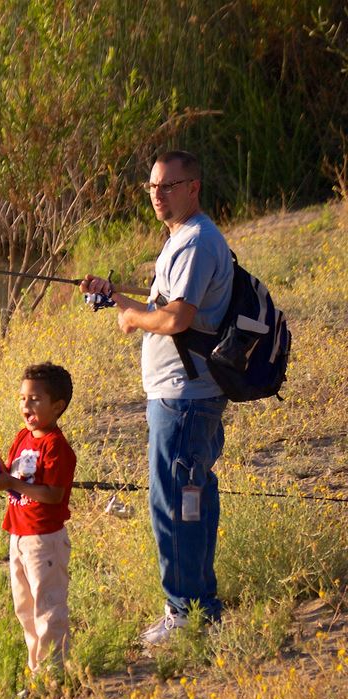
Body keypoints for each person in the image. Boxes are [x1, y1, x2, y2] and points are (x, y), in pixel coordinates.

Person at [81, 150, 233, 645]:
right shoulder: (182, 240)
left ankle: (185, 612)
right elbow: (161, 308)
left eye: (168, 186)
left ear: (194, 187)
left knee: (173, 502)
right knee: (191, 498)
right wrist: (117, 300)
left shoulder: (195, 242)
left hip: (185, 399)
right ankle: (199, 605)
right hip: (182, 396)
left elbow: (175, 320)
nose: (158, 195)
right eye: (152, 187)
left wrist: (131, 319)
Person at [0, 362, 77, 673]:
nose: (26, 404)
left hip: (44, 540)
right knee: (24, 608)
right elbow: (15, 475)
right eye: (23, 397)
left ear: (57, 406)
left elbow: (52, 494)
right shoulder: (23, 437)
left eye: (36, 398)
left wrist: (10, 483)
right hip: (19, 535)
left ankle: (55, 673)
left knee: (47, 607)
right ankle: (37, 669)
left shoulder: (56, 446)